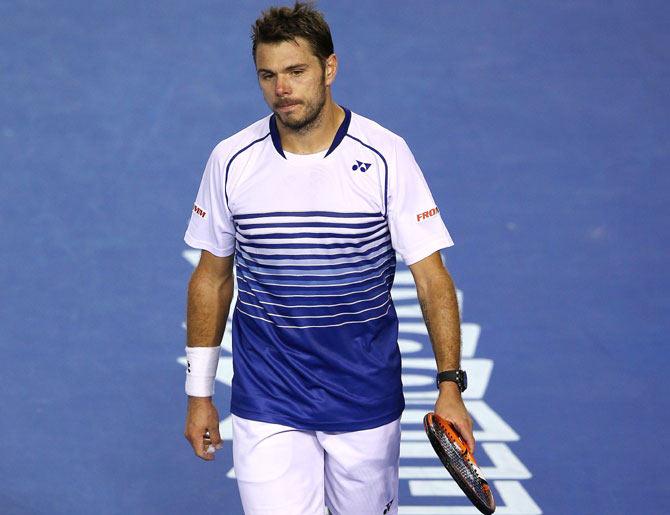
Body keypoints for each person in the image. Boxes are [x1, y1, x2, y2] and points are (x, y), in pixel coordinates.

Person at [182, 3, 474, 514]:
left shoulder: (386, 156)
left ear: (329, 68)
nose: (282, 89)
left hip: (364, 399)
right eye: (268, 76)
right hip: (267, 397)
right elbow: (212, 277)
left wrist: (450, 385)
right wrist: (199, 392)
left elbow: (431, 279)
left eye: (296, 72)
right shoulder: (230, 159)